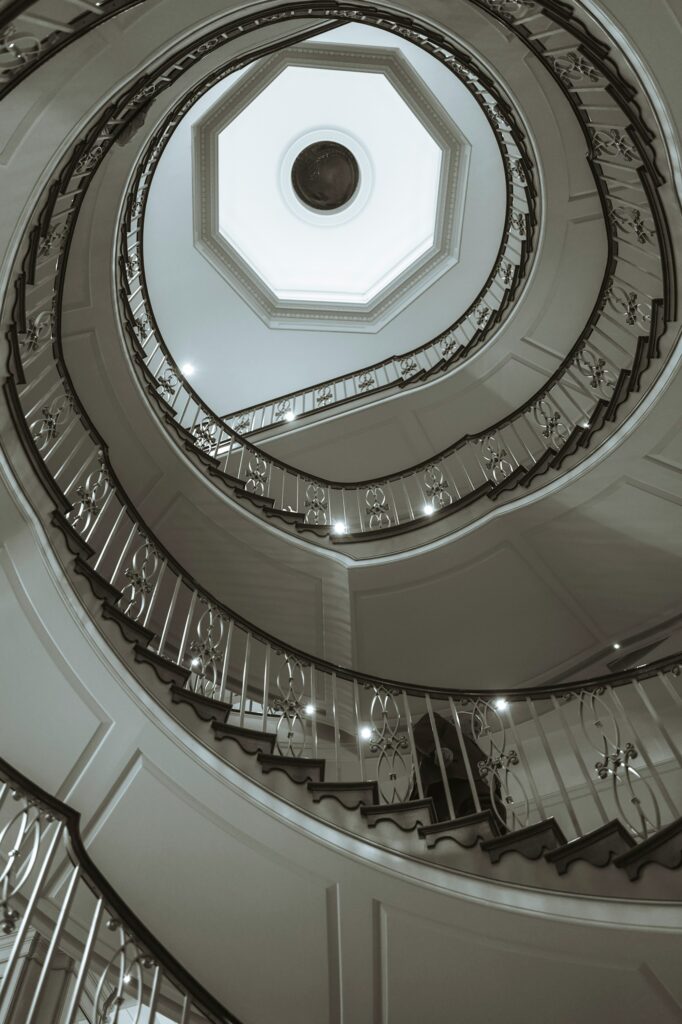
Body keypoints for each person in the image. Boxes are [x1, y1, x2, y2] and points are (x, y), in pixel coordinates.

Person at [412, 711, 506, 828]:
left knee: (495, 813)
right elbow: (422, 731)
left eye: (479, 730)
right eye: (473, 723)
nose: (477, 729)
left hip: (478, 790)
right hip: (450, 782)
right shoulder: (442, 724)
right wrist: (437, 749)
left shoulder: (478, 749)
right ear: (453, 720)